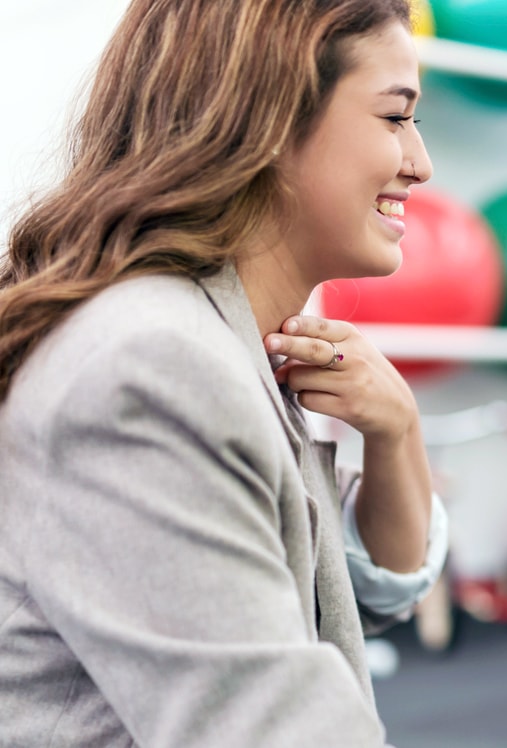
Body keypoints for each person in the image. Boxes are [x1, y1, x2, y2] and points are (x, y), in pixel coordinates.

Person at [0, 1, 451, 745]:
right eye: (395, 118)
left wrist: (397, 430)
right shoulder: (151, 366)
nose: (420, 163)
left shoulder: (229, 342)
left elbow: (355, 594)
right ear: (271, 120)